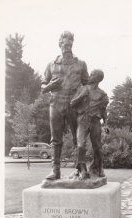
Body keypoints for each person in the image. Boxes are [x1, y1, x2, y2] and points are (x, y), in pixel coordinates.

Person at [41, 31, 89, 180]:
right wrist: (49, 85)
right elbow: (43, 86)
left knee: (78, 138)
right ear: (60, 44)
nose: (68, 47)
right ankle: (55, 171)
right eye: (65, 44)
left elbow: (87, 86)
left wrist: (82, 98)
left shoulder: (81, 64)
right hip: (55, 103)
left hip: (75, 103)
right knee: (55, 139)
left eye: (70, 44)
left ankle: (80, 168)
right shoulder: (51, 64)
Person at [70, 69, 109, 179]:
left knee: (97, 147)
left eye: (92, 75)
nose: (89, 76)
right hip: (82, 120)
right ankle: (81, 168)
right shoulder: (82, 89)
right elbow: (72, 103)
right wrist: (81, 96)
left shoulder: (102, 94)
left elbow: (104, 110)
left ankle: (99, 167)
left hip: (95, 122)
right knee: (81, 145)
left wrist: (105, 124)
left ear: (97, 78)